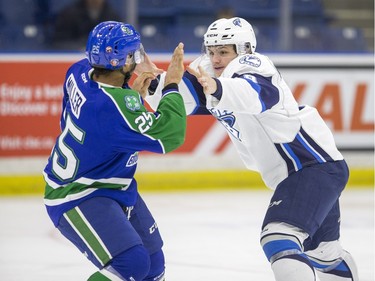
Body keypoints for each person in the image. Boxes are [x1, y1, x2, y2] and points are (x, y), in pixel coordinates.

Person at [146, 17, 359, 281]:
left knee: (278, 238)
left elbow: (253, 94)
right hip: (310, 171)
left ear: (244, 49)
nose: (215, 59)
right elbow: (183, 100)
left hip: (311, 167)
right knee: (325, 254)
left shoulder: (254, 65)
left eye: (223, 51)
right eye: (211, 52)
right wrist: (152, 85)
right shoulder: (214, 77)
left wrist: (217, 87)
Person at [42, 21, 186, 281]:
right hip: (78, 194)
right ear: (125, 59)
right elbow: (170, 134)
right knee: (131, 264)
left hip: (111, 182)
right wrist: (172, 84)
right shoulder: (114, 108)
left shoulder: (78, 72)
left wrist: (128, 93)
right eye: (135, 53)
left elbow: (111, 110)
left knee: (154, 263)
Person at [51, 0, 121, 50]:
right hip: (73, 58)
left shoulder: (113, 17)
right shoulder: (69, 14)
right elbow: (59, 42)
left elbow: (118, 43)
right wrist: (79, 47)